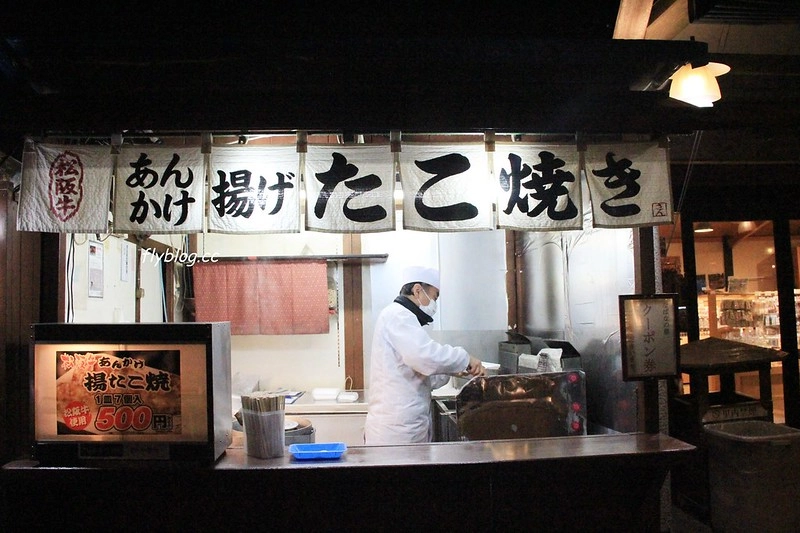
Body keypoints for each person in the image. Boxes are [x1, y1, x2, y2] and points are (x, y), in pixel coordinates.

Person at [364, 266, 485, 445]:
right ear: (418, 290)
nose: (434, 304)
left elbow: (419, 373)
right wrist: (464, 358)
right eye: (434, 297)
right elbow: (423, 356)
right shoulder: (398, 315)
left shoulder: (404, 318)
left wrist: (451, 371)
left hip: (406, 426)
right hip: (396, 431)